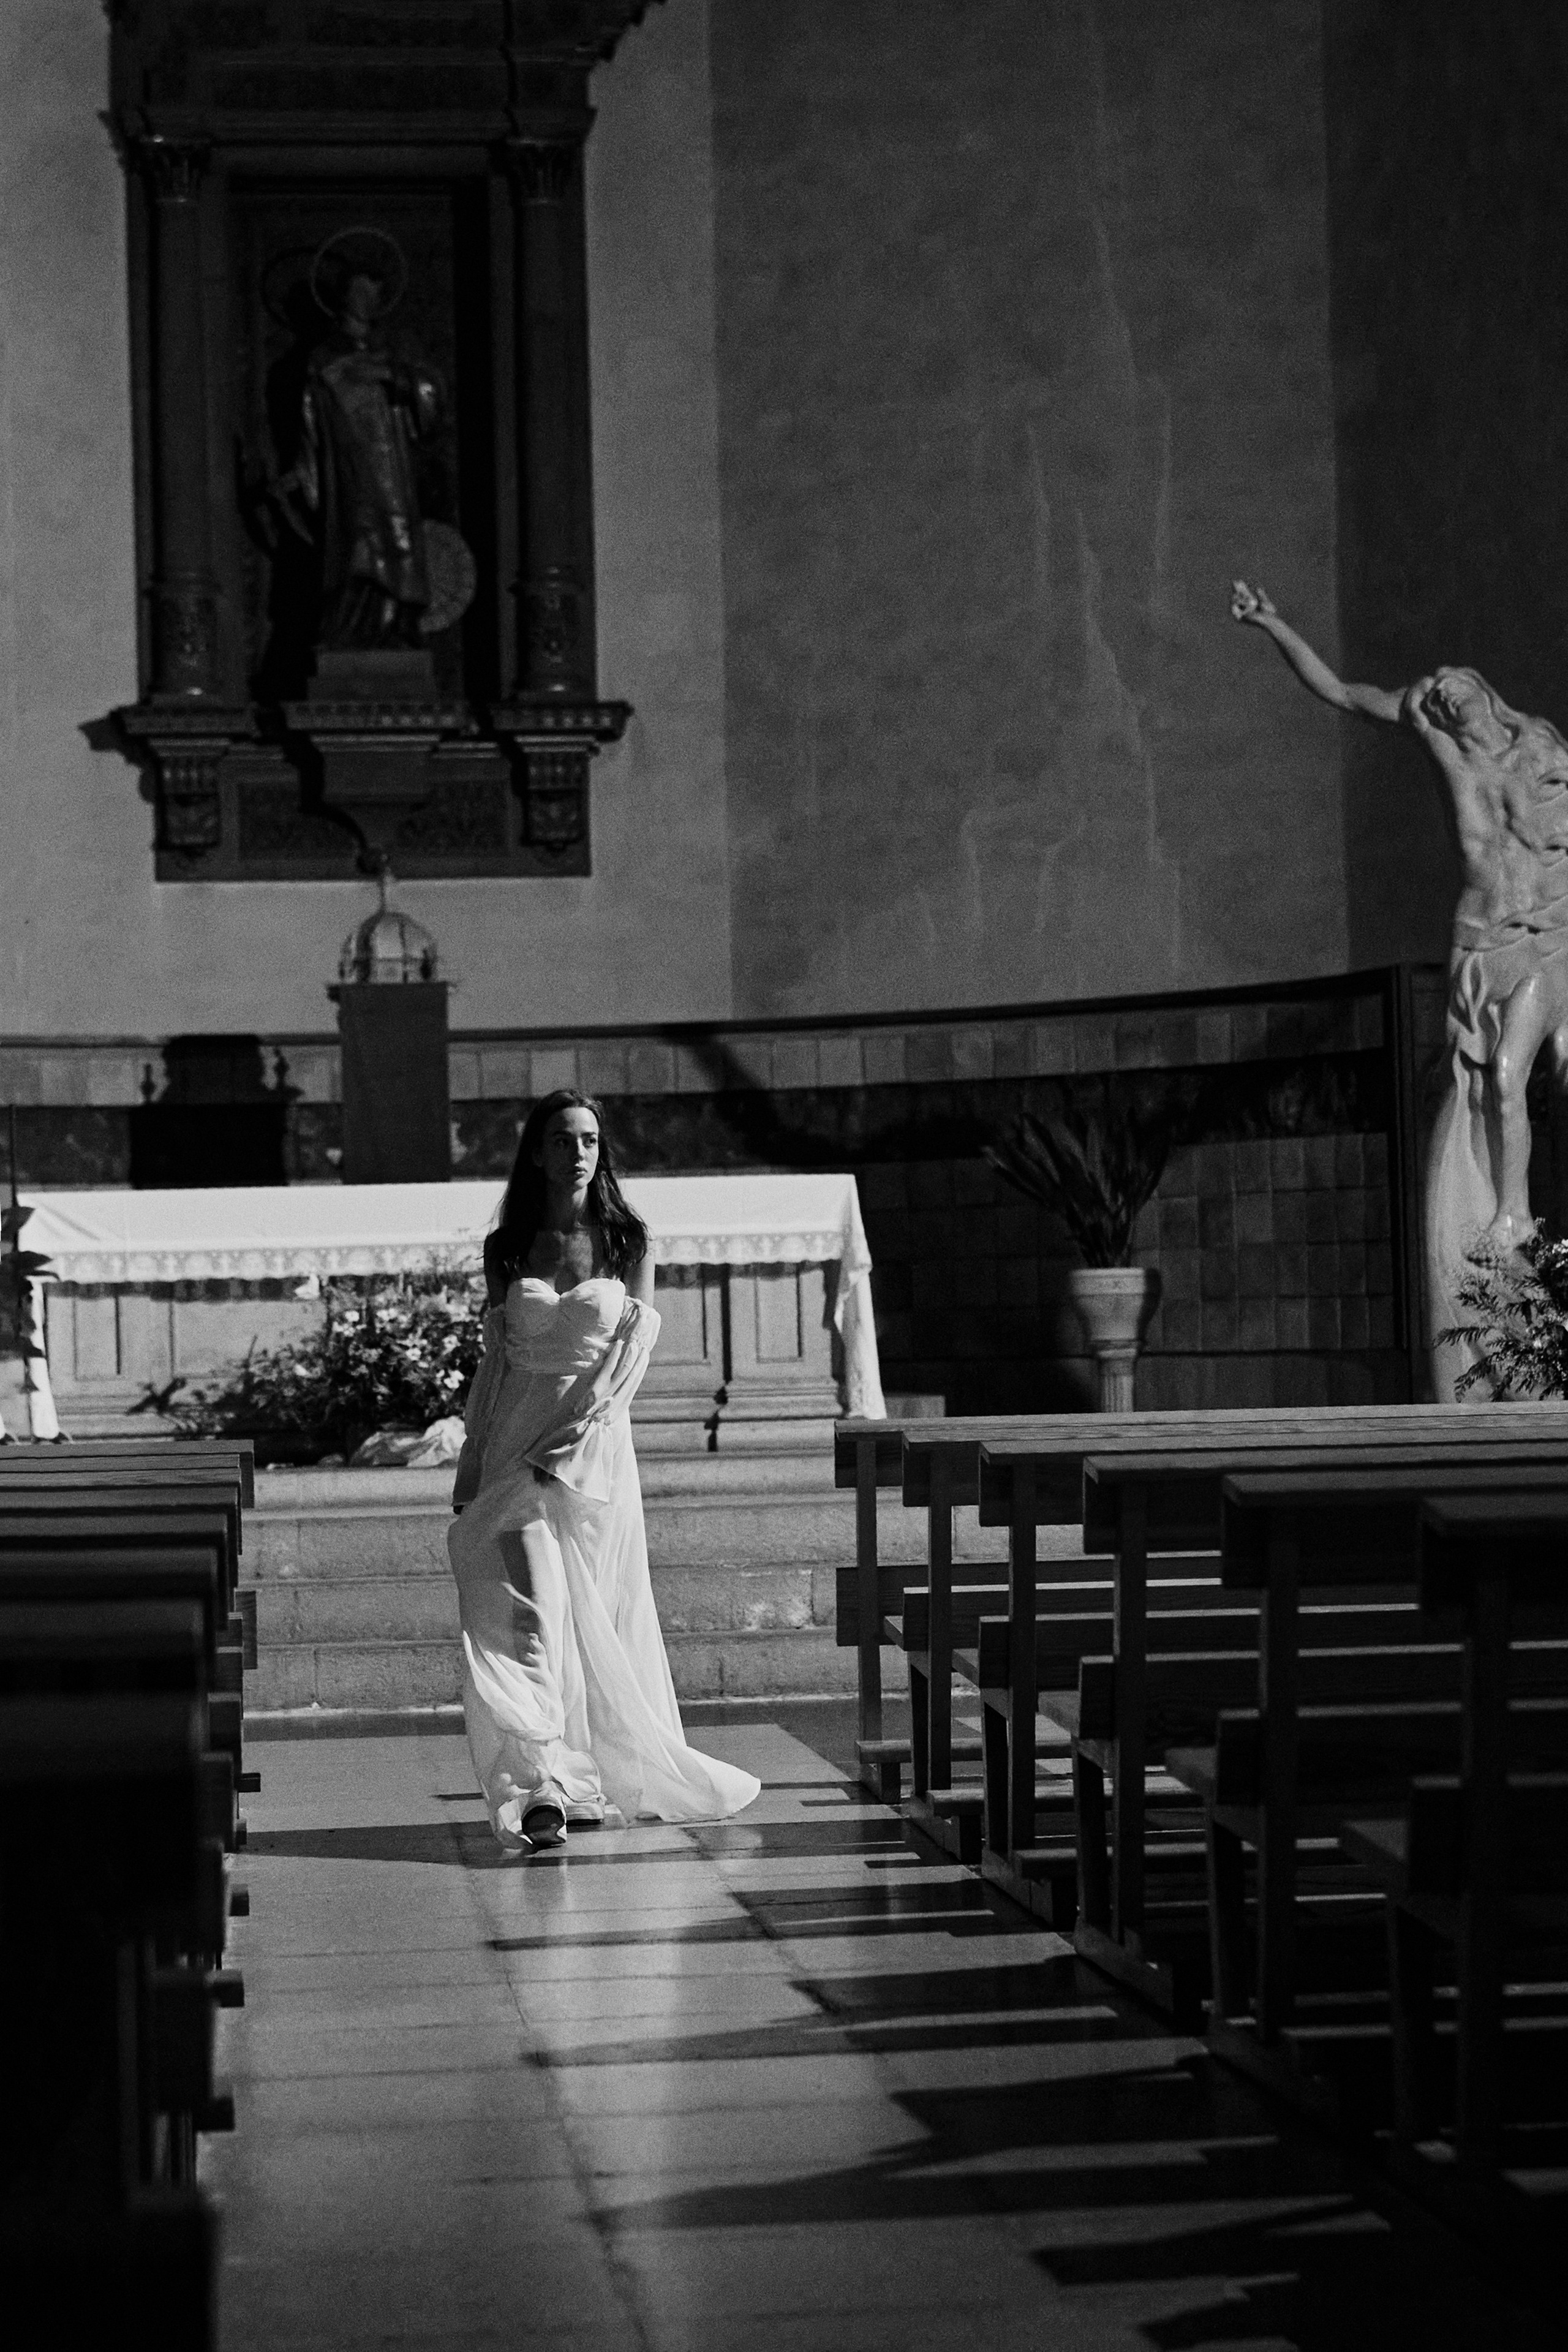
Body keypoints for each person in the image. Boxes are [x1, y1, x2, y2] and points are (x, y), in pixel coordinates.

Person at [1231, 579, 1568, 1393]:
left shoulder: (1544, 750)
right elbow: (1343, 693)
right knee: (1489, 1086)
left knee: (1515, 1075)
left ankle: (1515, 1210)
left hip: (1547, 938)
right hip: (1480, 940)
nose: (1445, 697)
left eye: (1458, 689)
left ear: (1488, 696)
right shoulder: (1435, 733)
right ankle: (1503, 1223)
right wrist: (1274, 622)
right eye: (1440, 697)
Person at [449, 1090, 760, 1853]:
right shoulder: (508, 1246)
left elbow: (629, 1360)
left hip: (589, 1450)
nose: (578, 1152)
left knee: (595, 1610)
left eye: (589, 1139)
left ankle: (584, 1776)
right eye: (562, 1140)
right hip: (514, 1442)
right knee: (530, 1610)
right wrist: (472, 1453)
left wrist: (573, 1439)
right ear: (536, 1152)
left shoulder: (627, 1239)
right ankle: (540, 1786)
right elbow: (498, 1363)